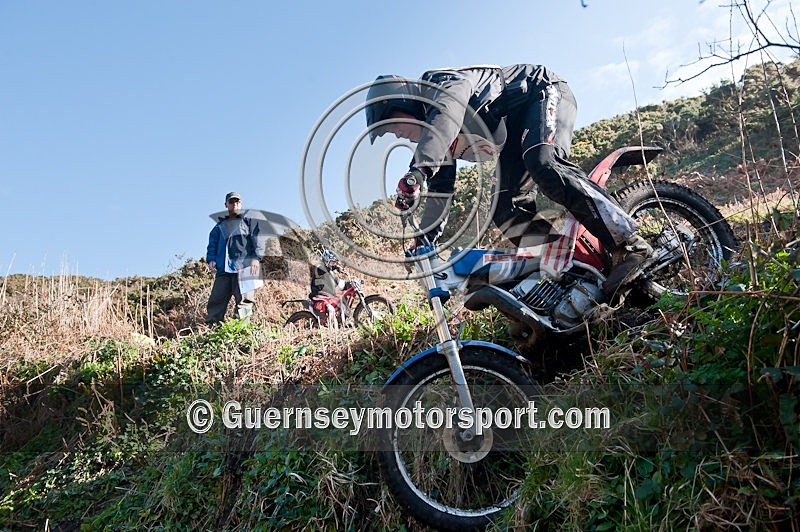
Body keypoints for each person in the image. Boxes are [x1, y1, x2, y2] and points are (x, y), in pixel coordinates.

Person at [365, 65, 655, 296]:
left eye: (392, 125)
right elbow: (441, 189)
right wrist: (424, 241)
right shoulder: (440, 134)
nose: (397, 135)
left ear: (403, 101)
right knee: (504, 208)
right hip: (517, 132)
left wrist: (417, 171)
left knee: (544, 163)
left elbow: (447, 113)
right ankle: (570, 267)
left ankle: (631, 245)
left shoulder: (441, 83)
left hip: (543, 91)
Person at [205, 191, 265, 324]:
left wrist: (256, 258)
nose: (235, 204)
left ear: (241, 203)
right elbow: (212, 243)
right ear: (226, 204)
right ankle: (212, 331)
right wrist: (211, 259)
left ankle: (241, 330)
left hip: (244, 268)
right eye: (231, 202)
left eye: (237, 201)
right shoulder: (220, 226)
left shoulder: (249, 220)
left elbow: (258, 238)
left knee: (245, 301)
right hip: (223, 270)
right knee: (216, 302)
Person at [309, 250, 350, 321]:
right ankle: (332, 328)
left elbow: (337, 281)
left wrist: (349, 284)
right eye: (332, 262)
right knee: (331, 310)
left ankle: (343, 323)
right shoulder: (319, 268)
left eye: (334, 262)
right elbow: (326, 271)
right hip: (317, 295)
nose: (333, 264)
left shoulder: (329, 271)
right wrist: (335, 267)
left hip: (327, 296)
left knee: (342, 305)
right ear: (326, 260)